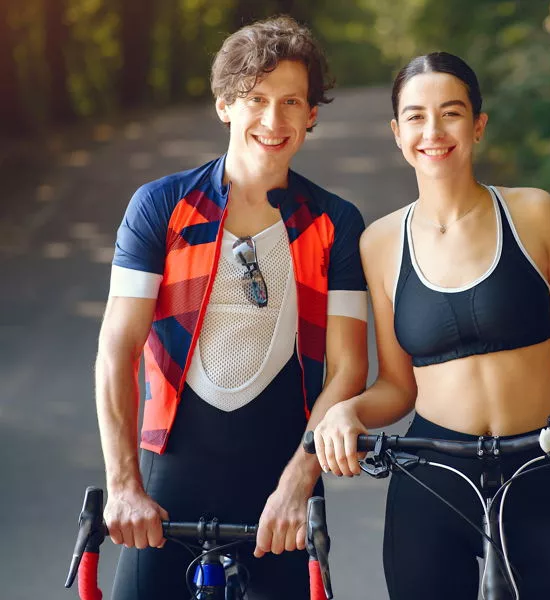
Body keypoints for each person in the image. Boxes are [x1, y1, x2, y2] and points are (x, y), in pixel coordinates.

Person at [311, 52, 550, 600]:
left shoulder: (532, 212)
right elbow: (398, 386)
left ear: (478, 125)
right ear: (397, 132)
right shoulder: (379, 243)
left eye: (451, 113)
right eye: (416, 116)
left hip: (539, 463)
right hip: (433, 474)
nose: (434, 131)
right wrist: (346, 411)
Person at [95, 16, 368, 600]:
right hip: (171, 473)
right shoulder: (161, 207)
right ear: (224, 105)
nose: (274, 120)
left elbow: (348, 370)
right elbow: (118, 350)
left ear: (312, 114)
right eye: (256, 99)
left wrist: (299, 485)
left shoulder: (335, 222)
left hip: (282, 480)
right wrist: (123, 486)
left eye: (292, 101)